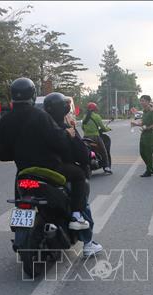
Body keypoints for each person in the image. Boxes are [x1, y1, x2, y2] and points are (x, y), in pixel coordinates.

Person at [0, 78, 90, 231]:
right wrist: (67, 135)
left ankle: (19, 226)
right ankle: (77, 215)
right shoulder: (40, 117)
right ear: (33, 94)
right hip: (50, 171)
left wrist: (18, 153)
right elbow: (59, 142)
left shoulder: (6, 120)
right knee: (78, 175)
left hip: (24, 172)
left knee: (20, 186)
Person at [45, 93, 103, 256]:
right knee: (82, 205)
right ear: (64, 110)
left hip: (39, 172)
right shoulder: (66, 130)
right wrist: (74, 131)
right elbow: (82, 156)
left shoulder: (41, 126)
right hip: (63, 174)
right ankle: (88, 243)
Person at [131, 95, 153, 177]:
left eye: (143, 101)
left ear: (148, 102)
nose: (141, 102)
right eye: (141, 101)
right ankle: (150, 168)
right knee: (142, 152)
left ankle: (148, 170)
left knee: (148, 153)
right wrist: (135, 124)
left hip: (150, 134)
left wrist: (147, 128)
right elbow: (143, 123)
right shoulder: (144, 112)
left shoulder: (152, 112)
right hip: (144, 134)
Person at [82, 102, 112, 174]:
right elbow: (103, 128)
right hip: (95, 137)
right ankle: (107, 167)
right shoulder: (97, 116)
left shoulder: (84, 117)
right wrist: (108, 129)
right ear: (95, 109)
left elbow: (83, 127)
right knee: (104, 151)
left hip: (85, 137)